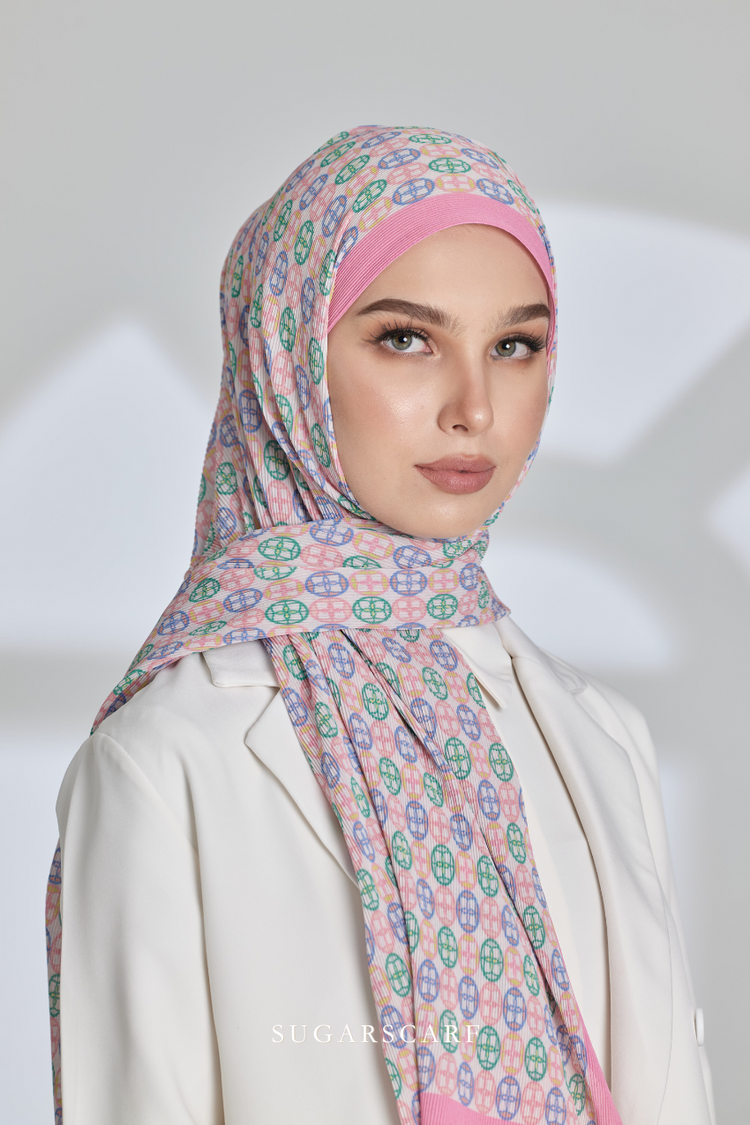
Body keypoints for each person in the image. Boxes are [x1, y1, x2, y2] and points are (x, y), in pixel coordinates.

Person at [46, 125, 715, 1124]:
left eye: (515, 346)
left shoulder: (601, 736)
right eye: (407, 339)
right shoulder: (165, 758)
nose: (474, 408)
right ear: (288, 359)